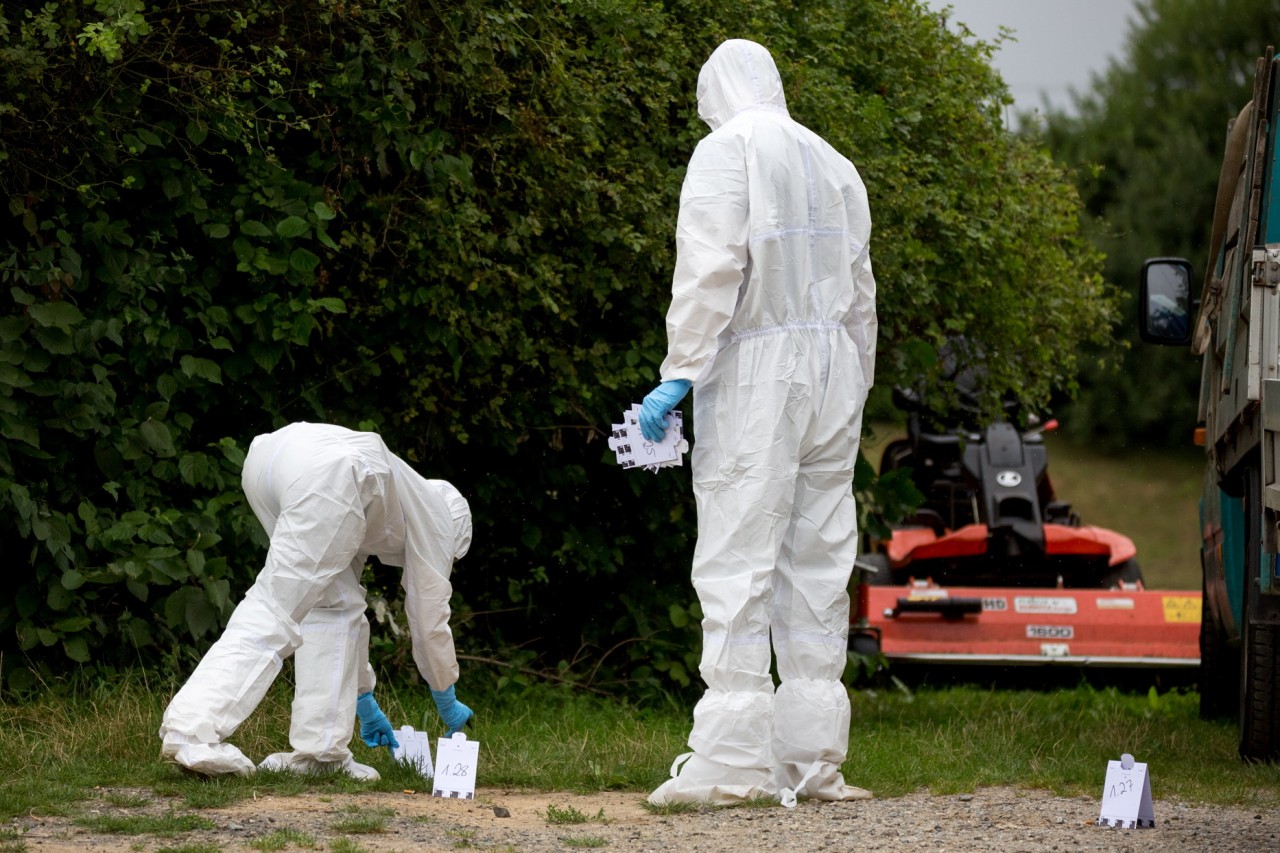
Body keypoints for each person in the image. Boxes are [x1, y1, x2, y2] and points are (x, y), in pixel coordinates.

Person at [639, 39, 877, 807]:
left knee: (739, 552)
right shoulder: (835, 163)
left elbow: (711, 266)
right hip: (833, 367)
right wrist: (854, 383)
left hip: (757, 370)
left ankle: (734, 764)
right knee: (818, 560)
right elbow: (862, 292)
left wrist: (680, 368)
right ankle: (812, 762)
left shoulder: (726, 150)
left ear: (718, 90)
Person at [159, 421, 475, 778]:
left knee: (330, 609)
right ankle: (191, 732)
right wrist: (446, 697)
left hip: (271, 462)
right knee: (276, 607)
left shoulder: (374, 505)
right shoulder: (438, 519)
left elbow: (346, 618)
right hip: (328, 475)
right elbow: (428, 618)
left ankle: (321, 754)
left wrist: (364, 699)